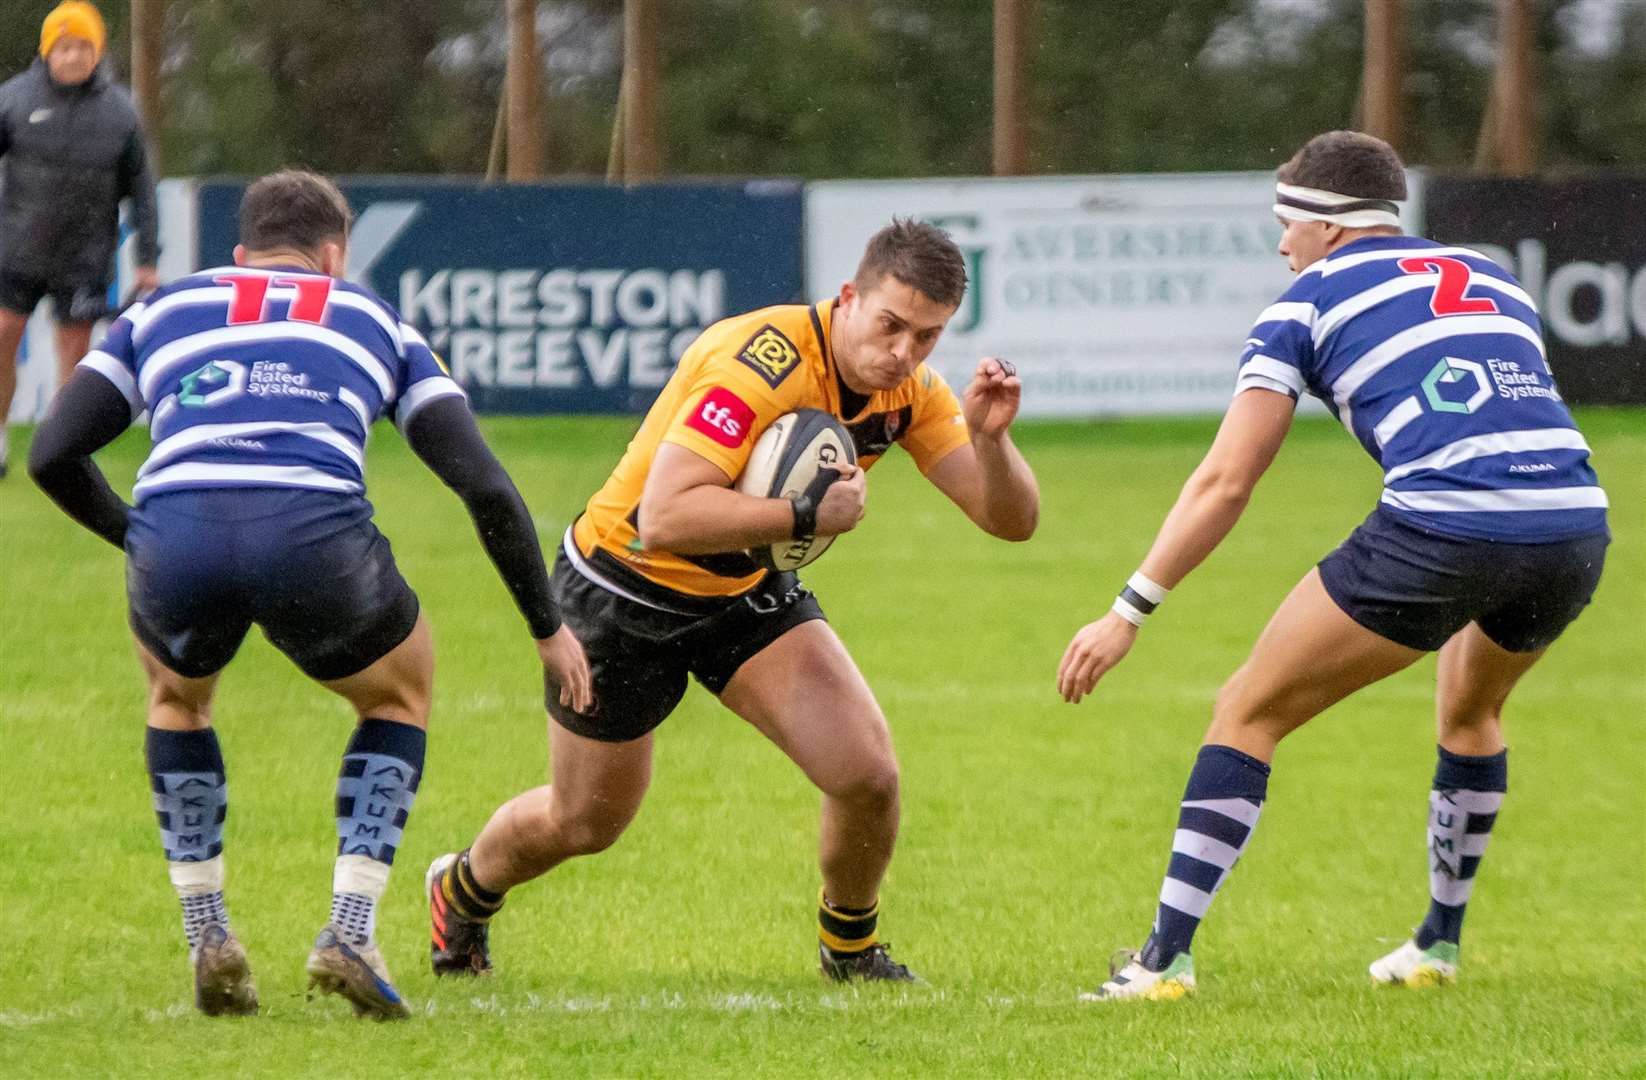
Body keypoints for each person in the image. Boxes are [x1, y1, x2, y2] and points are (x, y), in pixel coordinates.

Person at [1057, 131, 1609, 1001]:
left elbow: (1226, 481)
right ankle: (1438, 945)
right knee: (1471, 712)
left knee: (1247, 711)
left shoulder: (1303, 304)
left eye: (1286, 223)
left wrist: (1128, 611)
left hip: (1445, 524)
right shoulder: (1493, 274)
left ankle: (1161, 965)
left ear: (1325, 223)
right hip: (1573, 525)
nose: (1281, 244)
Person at [28, 169, 592, 1020]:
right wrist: (547, 628)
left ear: (239, 252)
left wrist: (138, 537)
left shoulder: (161, 310)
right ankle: (351, 927)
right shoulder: (371, 318)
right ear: (334, 254)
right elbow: (485, 486)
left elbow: (50, 455)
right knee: (399, 689)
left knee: (178, 701)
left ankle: (208, 933)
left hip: (176, 535)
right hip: (313, 537)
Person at [425, 219, 1039, 984]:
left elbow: (1009, 521)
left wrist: (989, 443)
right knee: (583, 821)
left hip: (742, 592)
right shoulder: (762, 362)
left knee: (866, 774)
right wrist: (807, 517)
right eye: (891, 325)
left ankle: (850, 950)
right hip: (621, 591)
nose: (904, 353)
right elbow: (666, 518)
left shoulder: (910, 391)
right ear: (849, 298)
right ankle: (462, 889)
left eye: (928, 336)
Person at [0, 1, 160, 477]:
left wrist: (149, 259)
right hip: (16, 251)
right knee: (3, 337)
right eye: (65, 47)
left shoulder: (121, 112)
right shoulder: (13, 99)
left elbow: (144, 192)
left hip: (84, 258)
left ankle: (55, 451)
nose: (74, 57)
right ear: (48, 51)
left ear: (98, 52)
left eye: (84, 47)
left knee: (74, 353)